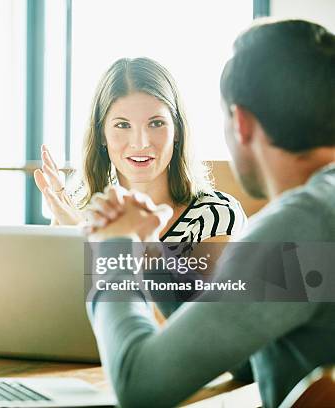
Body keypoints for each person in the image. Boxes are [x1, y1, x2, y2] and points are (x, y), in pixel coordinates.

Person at [84, 19, 335, 407]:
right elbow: (247, 355)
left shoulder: (300, 226)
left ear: (241, 123)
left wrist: (116, 246)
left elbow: (139, 386)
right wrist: (150, 255)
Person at [34, 57, 246, 259]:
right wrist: (70, 237)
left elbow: (193, 297)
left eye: (156, 123)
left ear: (177, 131)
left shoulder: (217, 214)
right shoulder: (79, 215)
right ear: (101, 134)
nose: (140, 142)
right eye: (123, 125)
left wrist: (92, 247)